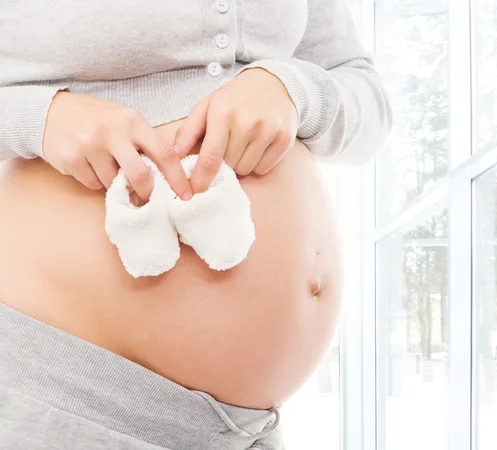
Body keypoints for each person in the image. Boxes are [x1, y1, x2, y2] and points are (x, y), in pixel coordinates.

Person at [0, 1, 392, 448]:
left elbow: (369, 102)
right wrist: (38, 117)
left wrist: (293, 88)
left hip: (246, 426)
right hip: (61, 389)